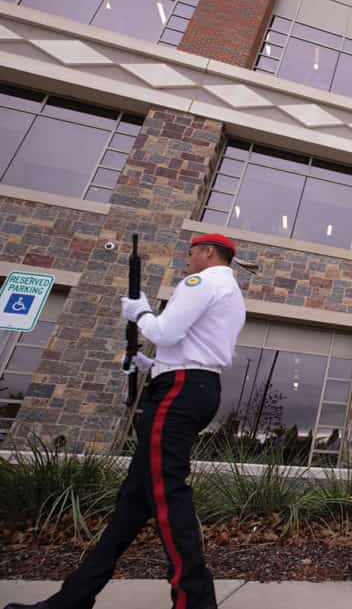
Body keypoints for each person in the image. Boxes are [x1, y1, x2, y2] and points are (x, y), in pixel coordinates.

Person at [5, 233, 246, 609]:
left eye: (192, 251)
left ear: (208, 252)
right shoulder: (230, 291)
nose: (188, 258)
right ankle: (72, 599)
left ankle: (196, 602)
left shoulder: (201, 281)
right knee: (131, 506)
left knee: (169, 495)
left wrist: (140, 312)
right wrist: (151, 365)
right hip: (191, 383)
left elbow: (165, 332)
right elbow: (194, 347)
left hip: (179, 390)